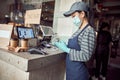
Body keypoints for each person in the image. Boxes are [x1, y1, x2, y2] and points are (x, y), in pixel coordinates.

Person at [54, 1, 96, 80]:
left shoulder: (89, 31)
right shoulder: (79, 30)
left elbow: (85, 56)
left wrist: (67, 49)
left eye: (74, 16)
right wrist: (65, 45)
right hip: (72, 72)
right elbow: (77, 47)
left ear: (82, 14)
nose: (73, 19)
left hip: (78, 74)